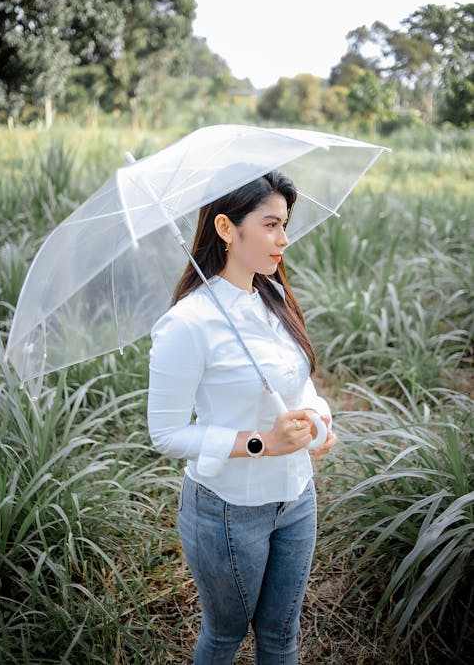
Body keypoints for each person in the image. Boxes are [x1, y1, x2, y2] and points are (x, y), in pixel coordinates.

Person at [147, 170, 338, 664]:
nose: (284, 238)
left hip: (296, 498)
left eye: (286, 224)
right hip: (229, 509)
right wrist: (261, 443)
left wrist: (316, 422)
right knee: (225, 636)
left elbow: (303, 384)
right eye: (271, 225)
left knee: (281, 637)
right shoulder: (188, 323)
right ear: (227, 229)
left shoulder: (273, 297)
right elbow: (165, 433)